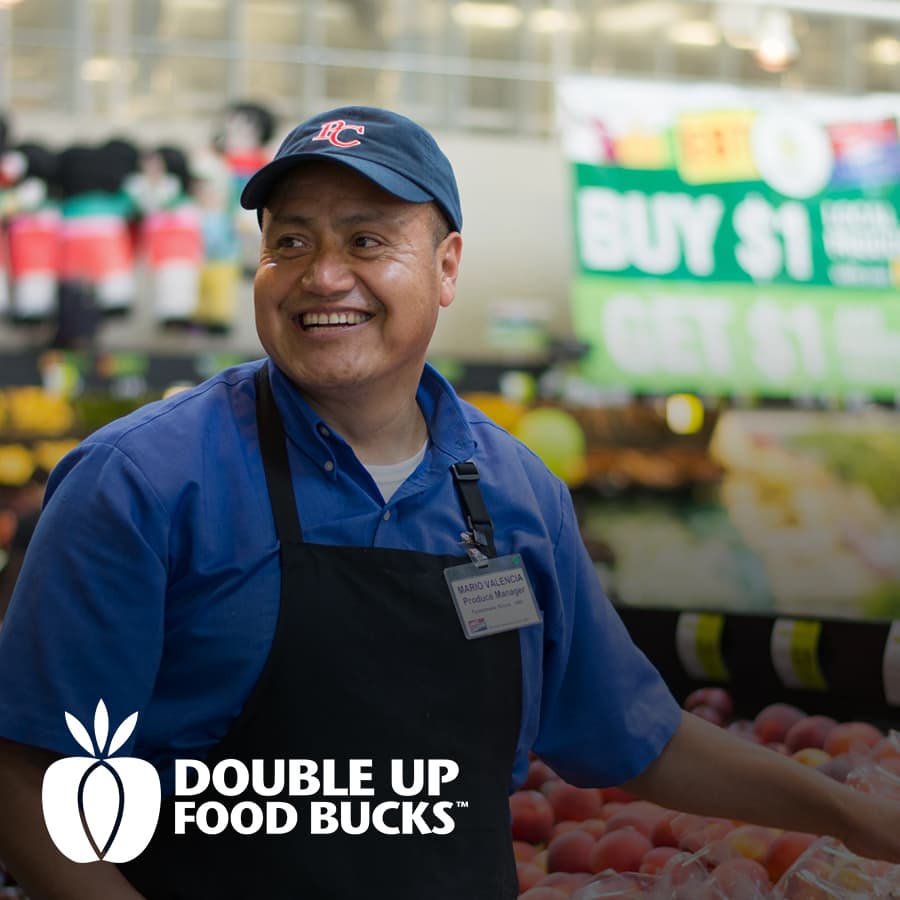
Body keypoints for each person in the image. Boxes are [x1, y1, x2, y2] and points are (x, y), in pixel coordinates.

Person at [0, 105, 897, 900]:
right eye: (291, 240)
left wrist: (854, 818)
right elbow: (26, 775)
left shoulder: (515, 496)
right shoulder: (145, 480)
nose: (322, 274)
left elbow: (638, 737)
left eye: (366, 240)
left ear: (447, 266)